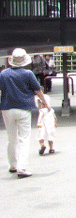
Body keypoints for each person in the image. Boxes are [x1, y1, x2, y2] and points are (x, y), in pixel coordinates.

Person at [0, 48, 49, 178]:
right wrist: (45, 103)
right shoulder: (28, 74)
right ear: (24, 61)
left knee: (11, 138)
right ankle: (22, 167)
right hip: (24, 108)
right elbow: (38, 90)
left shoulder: (4, 74)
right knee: (24, 138)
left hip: (7, 108)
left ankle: (13, 165)